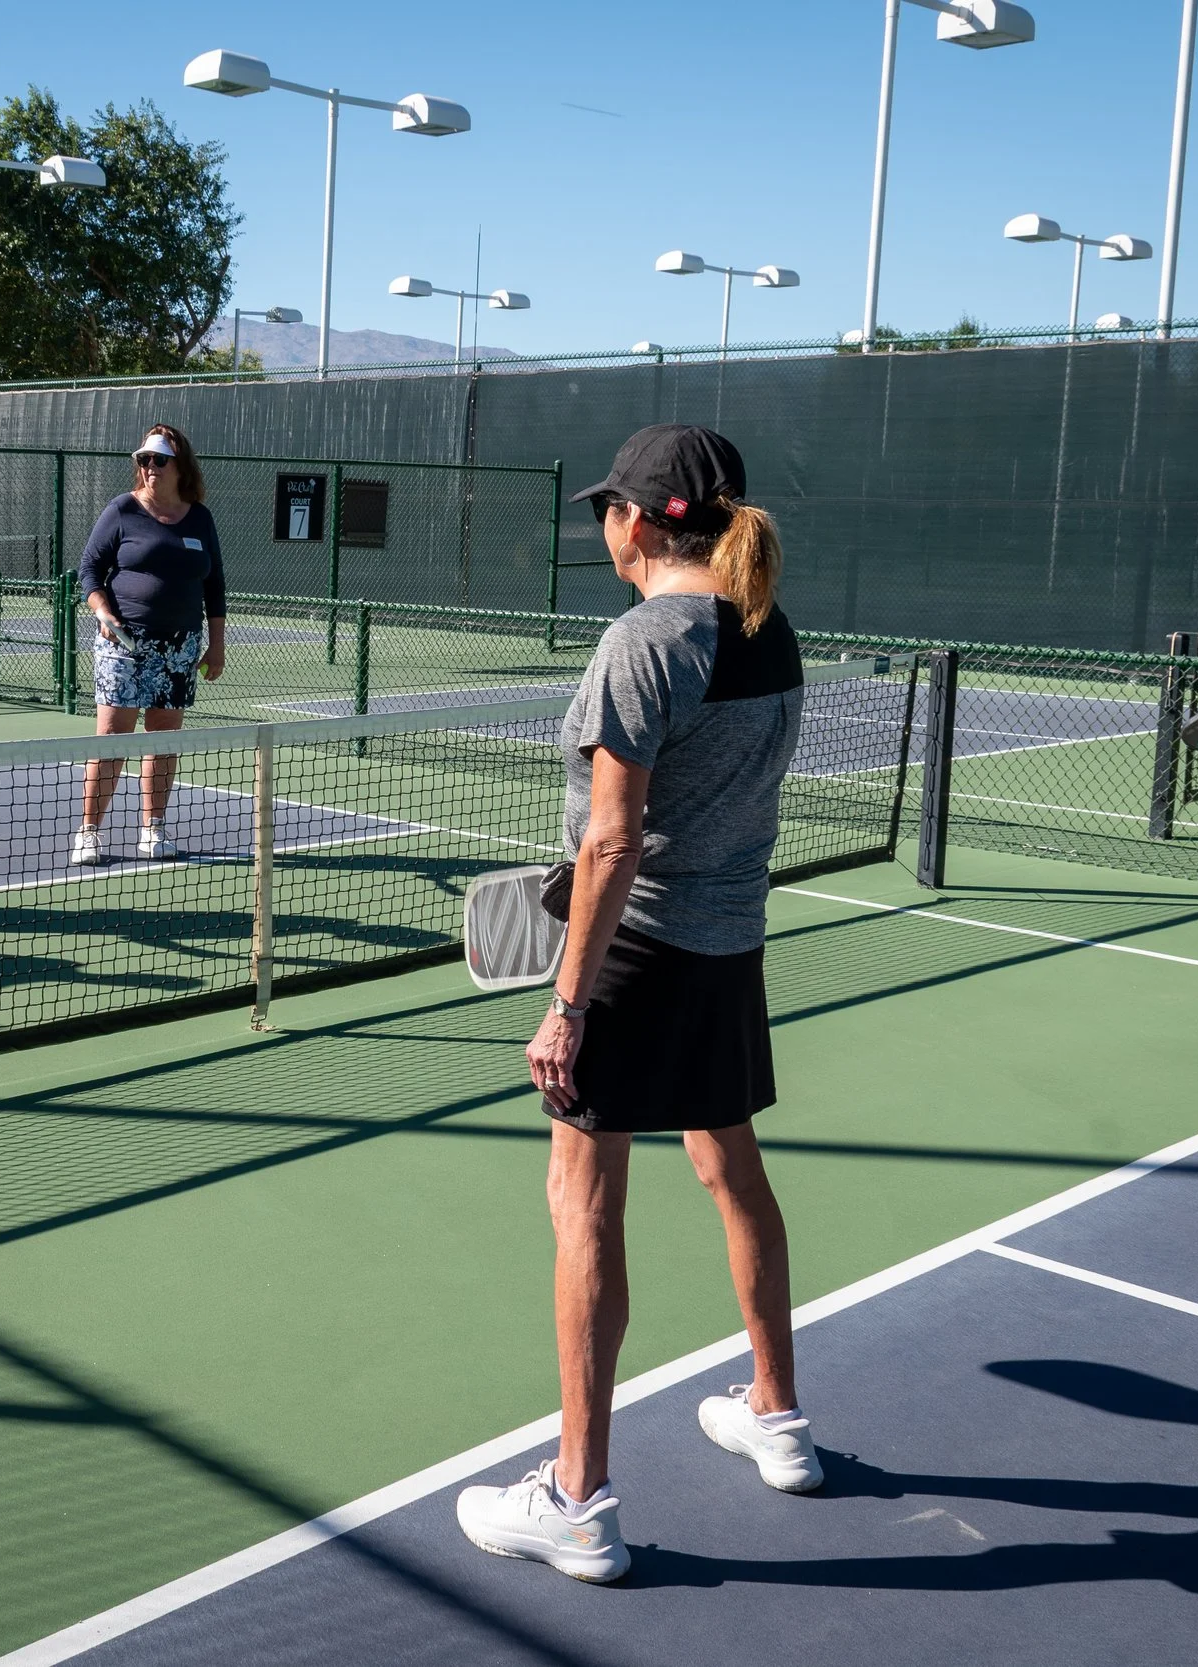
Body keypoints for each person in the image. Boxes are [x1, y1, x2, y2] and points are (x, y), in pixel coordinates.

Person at [455, 425, 821, 1586]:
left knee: (581, 1200)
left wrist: (566, 1002)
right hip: (727, 948)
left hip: (632, 954)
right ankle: (776, 1415)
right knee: (733, 1170)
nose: (602, 525)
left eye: (610, 507)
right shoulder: (766, 626)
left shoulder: (641, 638)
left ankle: (576, 1496)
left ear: (640, 521)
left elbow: (613, 838)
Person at [71, 425, 228, 865]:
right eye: (144, 459)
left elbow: (214, 586)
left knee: (163, 738)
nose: (150, 467)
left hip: (179, 647)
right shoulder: (122, 510)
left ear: (180, 466)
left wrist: (215, 647)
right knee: (112, 738)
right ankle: (88, 833)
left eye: (160, 459)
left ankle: (153, 831)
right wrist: (102, 611)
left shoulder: (200, 517)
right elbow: (89, 572)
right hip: (124, 645)